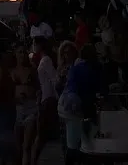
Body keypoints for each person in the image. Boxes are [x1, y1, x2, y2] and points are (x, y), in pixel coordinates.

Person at [59, 44, 100, 165]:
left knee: (75, 144)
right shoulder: (89, 69)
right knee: (77, 145)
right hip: (73, 109)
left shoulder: (76, 68)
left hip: (70, 109)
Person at [0, 40, 17, 165]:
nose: (11, 54)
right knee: (7, 158)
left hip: (5, 117)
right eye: (9, 51)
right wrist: (14, 100)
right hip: (1, 118)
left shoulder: (3, 69)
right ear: (2, 54)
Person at [32, 36, 58, 164]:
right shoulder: (43, 60)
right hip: (45, 98)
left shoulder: (46, 60)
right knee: (42, 133)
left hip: (48, 99)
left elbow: (54, 79)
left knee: (41, 133)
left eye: (34, 44)